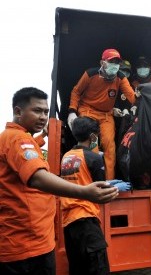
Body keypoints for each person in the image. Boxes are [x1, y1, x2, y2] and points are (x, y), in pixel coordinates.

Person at [0, 87, 118, 275]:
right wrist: (86, 191)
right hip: (27, 245)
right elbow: (37, 175)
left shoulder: (67, 155)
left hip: (57, 225)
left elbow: (25, 157)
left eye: (46, 112)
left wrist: (44, 136)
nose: (43, 117)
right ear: (17, 111)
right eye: (37, 111)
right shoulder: (18, 140)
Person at [67, 48, 138, 180]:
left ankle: (108, 183)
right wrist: (72, 111)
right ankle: (91, 182)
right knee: (92, 146)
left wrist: (141, 100)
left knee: (109, 147)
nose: (115, 65)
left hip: (106, 115)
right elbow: (76, 92)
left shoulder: (120, 78)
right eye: (111, 62)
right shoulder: (90, 74)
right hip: (88, 111)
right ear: (102, 62)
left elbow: (132, 96)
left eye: (117, 62)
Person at [60, 116, 110, 275]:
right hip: (86, 218)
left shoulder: (66, 156)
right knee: (98, 267)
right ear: (93, 136)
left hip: (69, 221)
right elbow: (100, 187)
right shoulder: (94, 158)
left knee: (77, 268)